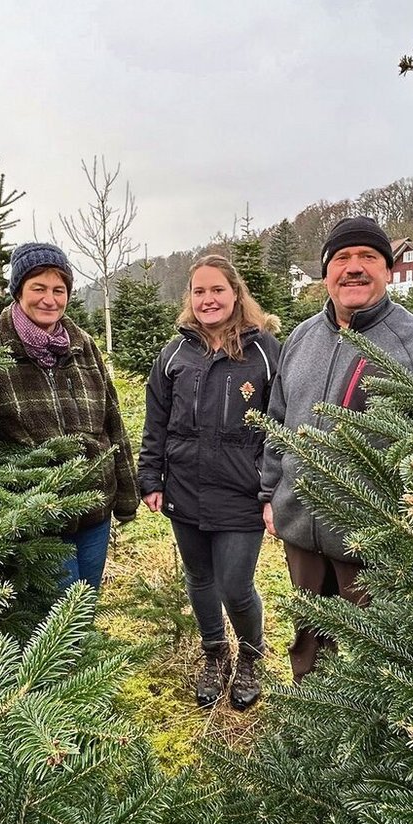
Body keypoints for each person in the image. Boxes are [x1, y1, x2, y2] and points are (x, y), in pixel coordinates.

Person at [259, 216, 413, 682]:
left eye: (368, 257)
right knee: (309, 634)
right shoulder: (302, 338)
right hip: (300, 526)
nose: (354, 268)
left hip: (376, 535)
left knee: (383, 645)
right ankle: (308, 719)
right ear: (326, 272)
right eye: (342, 259)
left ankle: (380, 740)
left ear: (387, 270)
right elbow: (275, 420)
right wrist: (269, 494)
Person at [0, 242, 139, 590]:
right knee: (57, 616)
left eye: (58, 290)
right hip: (32, 514)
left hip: (94, 510)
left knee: (84, 606)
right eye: (39, 288)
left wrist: (126, 498)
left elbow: (112, 421)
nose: (50, 299)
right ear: (18, 290)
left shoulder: (83, 344)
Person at [138, 255, 281, 709]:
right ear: (190, 299)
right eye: (199, 291)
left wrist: (272, 489)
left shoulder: (264, 352)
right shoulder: (174, 355)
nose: (208, 299)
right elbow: (156, 421)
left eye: (217, 290)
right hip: (185, 487)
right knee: (199, 578)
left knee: (236, 586)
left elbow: (282, 424)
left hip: (242, 492)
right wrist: (150, 475)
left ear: (235, 294)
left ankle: (251, 657)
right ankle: (215, 654)